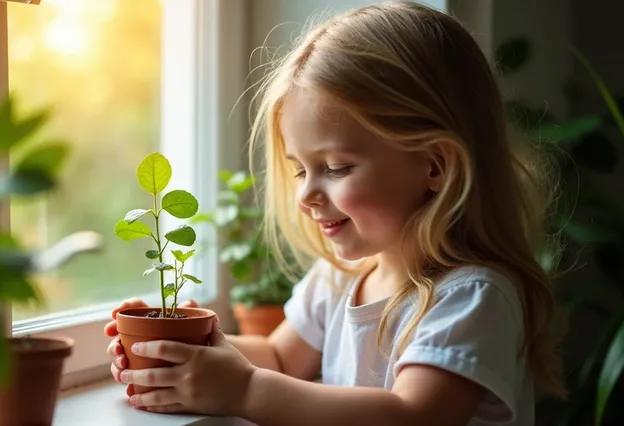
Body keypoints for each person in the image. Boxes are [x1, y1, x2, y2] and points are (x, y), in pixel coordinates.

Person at [104, 2, 567, 425]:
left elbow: (411, 416)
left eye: (335, 168)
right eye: (300, 170)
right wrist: (181, 346)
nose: (305, 194)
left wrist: (244, 389)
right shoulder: (340, 279)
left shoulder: (471, 298)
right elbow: (279, 358)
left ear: (434, 165)